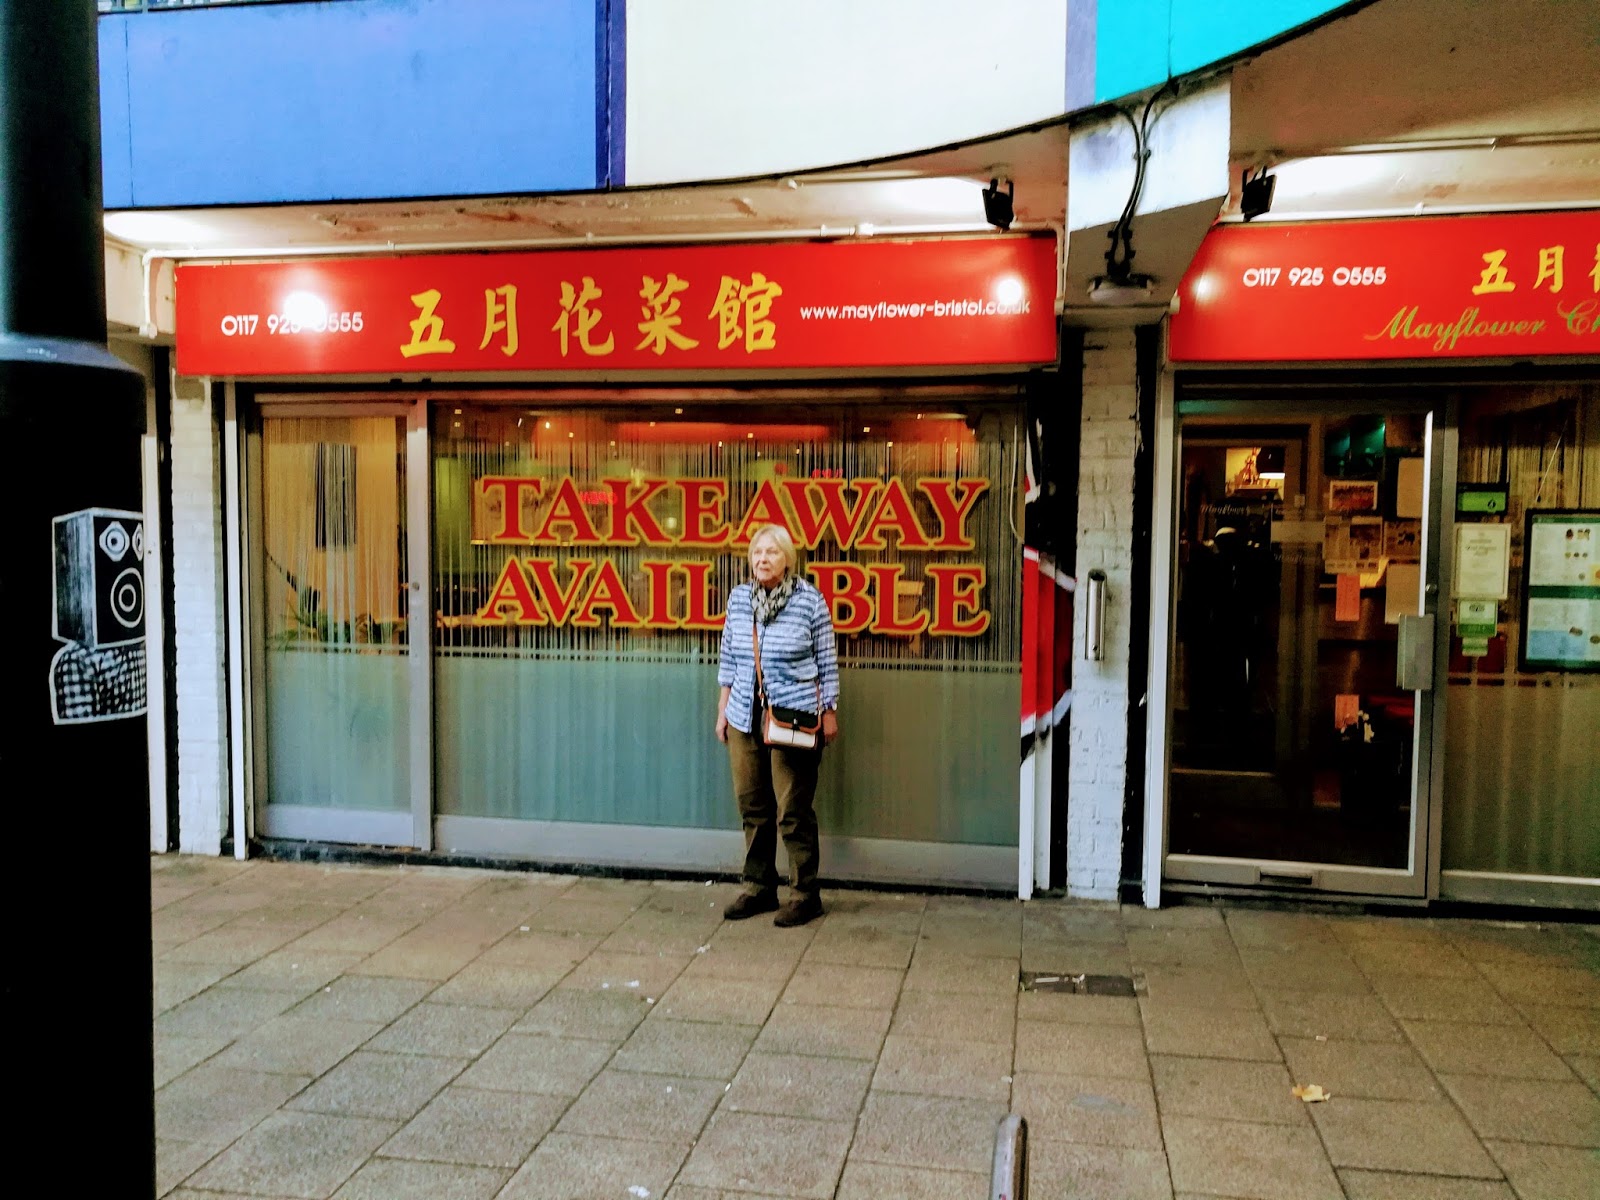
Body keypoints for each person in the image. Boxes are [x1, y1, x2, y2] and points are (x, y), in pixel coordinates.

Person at [715, 523, 840, 926]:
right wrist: (722, 711)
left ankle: (805, 894)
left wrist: (829, 712)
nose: (762, 559)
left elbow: (826, 660)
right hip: (744, 715)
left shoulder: (809, 601)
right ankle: (759, 887)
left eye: (771, 552)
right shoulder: (739, 599)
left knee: (793, 810)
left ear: (788, 558)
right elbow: (729, 660)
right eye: (757, 552)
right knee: (753, 805)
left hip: (794, 717)